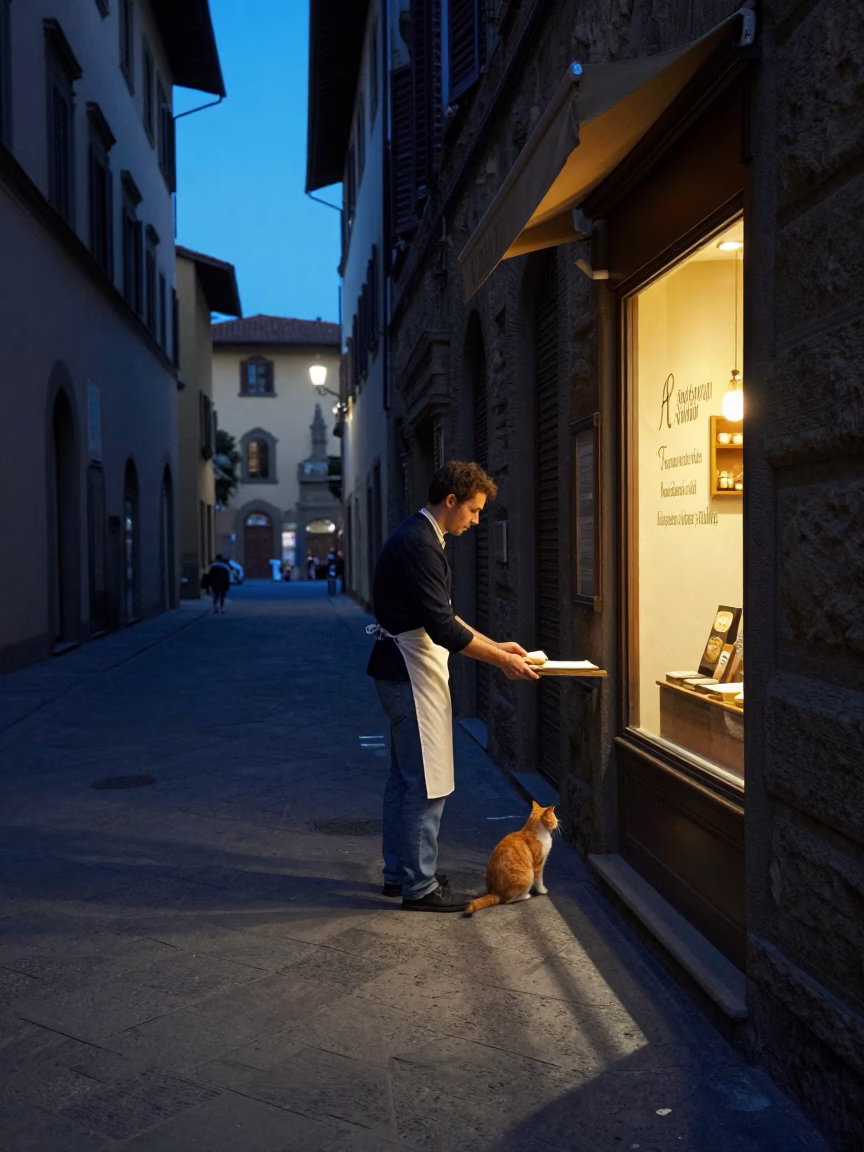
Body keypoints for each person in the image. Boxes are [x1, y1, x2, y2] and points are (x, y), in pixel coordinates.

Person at [366, 460, 539, 912]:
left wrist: (496, 644)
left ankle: (399, 874)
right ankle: (418, 886)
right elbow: (441, 626)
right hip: (407, 676)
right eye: (475, 510)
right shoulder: (421, 544)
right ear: (451, 501)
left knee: (403, 781)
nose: (477, 520)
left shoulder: (419, 536)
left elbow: (443, 615)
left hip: (399, 672)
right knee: (424, 784)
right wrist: (502, 661)